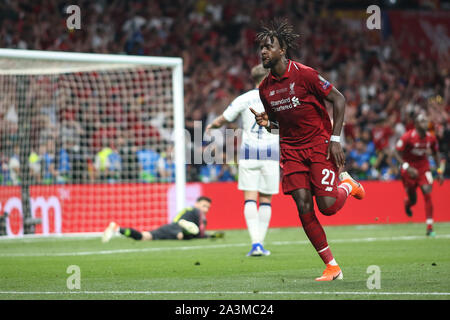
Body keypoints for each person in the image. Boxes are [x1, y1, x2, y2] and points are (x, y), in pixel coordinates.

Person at [251, 20, 365, 281]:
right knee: (303, 205)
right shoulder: (264, 90)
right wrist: (268, 124)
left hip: (318, 146)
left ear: (283, 50)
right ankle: (332, 266)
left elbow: (339, 99)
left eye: (269, 47)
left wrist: (335, 139)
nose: (263, 52)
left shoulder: (305, 74)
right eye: (261, 48)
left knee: (327, 206)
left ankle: (347, 185)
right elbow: (280, 123)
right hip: (291, 150)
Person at [206, 64, 279, 257]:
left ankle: (255, 244)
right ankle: (260, 244)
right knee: (266, 200)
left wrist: (211, 126)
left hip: (248, 154)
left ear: (253, 79)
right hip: (271, 154)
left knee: (249, 198)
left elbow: (224, 118)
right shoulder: (278, 98)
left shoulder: (244, 98)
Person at [393, 113, 445, 236]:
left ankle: (430, 227)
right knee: (413, 199)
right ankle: (408, 204)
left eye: (426, 121)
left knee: (427, 191)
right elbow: (395, 152)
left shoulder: (430, 138)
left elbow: (436, 154)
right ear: (416, 124)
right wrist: (407, 167)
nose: (425, 123)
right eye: (422, 121)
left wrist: (439, 171)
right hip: (409, 168)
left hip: (423, 168)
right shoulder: (408, 137)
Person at [101, 196, 224, 242]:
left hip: (169, 227)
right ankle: (187, 228)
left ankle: (117, 228)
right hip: (177, 228)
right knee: (185, 235)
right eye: (204, 205)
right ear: (196, 204)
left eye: (208, 207)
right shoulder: (196, 212)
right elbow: (201, 233)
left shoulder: (190, 211)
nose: (206, 209)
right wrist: (209, 236)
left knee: (144, 237)